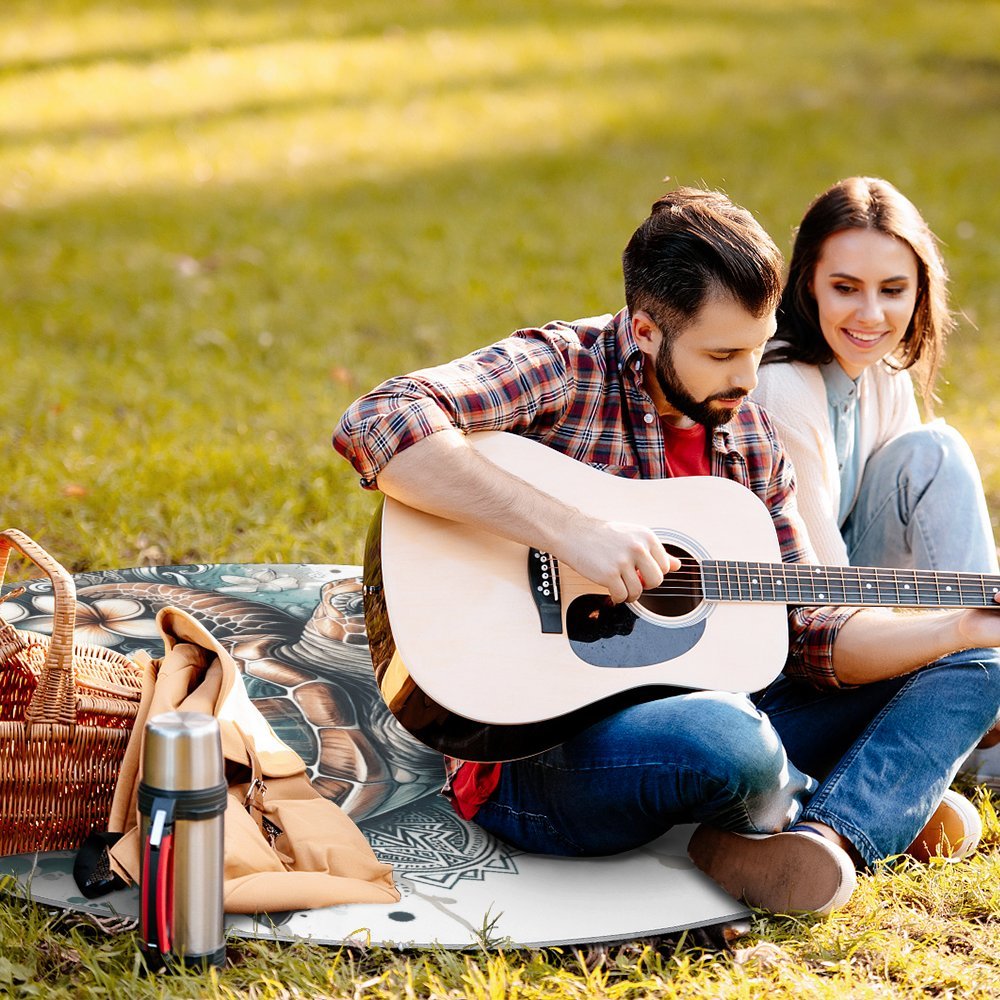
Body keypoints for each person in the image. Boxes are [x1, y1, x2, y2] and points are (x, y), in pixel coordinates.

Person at [333, 187, 1000, 916]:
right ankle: (858, 795)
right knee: (728, 741)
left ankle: (830, 836)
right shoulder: (564, 367)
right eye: (722, 354)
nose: (748, 380)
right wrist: (569, 531)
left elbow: (810, 629)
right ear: (646, 330)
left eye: (757, 346)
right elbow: (380, 419)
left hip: (726, 708)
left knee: (980, 665)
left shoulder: (748, 436)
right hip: (537, 755)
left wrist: (957, 628)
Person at [753, 176, 1000, 790]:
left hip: (860, 608)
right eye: (845, 288)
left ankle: (979, 692)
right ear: (807, 281)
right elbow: (824, 602)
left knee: (931, 451)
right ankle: (976, 717)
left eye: (893, 290)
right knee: (937, 451)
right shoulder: (783, 385)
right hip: (795, 646)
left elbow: (921, 538)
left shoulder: (882, 370)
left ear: (920, 292)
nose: (871, 315)